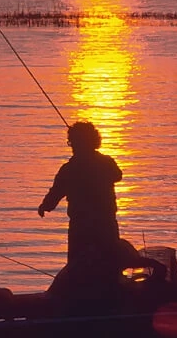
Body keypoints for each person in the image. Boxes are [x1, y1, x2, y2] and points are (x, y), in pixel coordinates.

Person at [39, 121, 128, 298]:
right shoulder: (106, 162)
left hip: (82, 226)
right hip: (106, 223)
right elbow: (118, 176)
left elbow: (56, 192)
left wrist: (45, 206)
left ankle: (79, 299)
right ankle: (110, 297)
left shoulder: (69, 168)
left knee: (77, 266)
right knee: (109, 264)